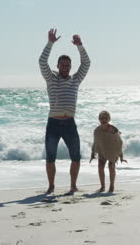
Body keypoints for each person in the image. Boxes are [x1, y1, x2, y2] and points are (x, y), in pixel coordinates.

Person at [39, 28, 91, 194]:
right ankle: (51, 186)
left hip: (69, 123)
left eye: (67, 65)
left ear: (70, 67)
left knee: (76, 157)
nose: (65, 67)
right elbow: (41, 62)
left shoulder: (76, 79)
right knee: (50, 157)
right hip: (53, 123)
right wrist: (50, 43)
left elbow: (87, 63)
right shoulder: (51, 78)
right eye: (62, 65)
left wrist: (80, 46)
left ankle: (73, 185)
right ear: (58, 66)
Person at [90, 111, 128, 193]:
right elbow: (95, 142)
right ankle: (102, 186)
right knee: (100, 167)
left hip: (113, 151)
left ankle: (112, 186)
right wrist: (93, 153)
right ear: (99, 119)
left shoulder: (113, 130)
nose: (103, 120)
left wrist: (121, 156)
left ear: (109, 119)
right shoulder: (97, 131)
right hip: (103, 150)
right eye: (101, 118)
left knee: (111, 166)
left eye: (105, 118)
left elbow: (119, 143)